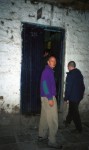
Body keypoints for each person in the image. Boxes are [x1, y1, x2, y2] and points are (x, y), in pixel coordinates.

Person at [38, 56, 62, 149]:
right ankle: (52, 141)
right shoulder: (47, 71)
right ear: (48, 62)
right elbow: (44, 85)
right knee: (53, 119)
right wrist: (50, 98)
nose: (54, 62)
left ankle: (41, 135)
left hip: (45, 97)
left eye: (55, 61)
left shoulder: (48, 71)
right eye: (52, 61)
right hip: (48, 97)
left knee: (44, 117)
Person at [64, 61, 85, 133]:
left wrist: (66, 98)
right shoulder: (79, 74)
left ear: (69, 66)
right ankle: (67, 121)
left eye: (67, 66)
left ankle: (79, 128)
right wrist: (81, 95)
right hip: (78, 97)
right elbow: (83, 86)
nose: (67, 68)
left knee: (75, 113)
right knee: (71, 109)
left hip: (73, 97)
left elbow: (68, 88)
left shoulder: (70, 75)